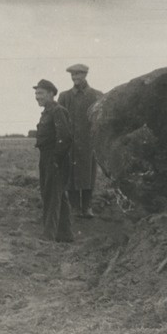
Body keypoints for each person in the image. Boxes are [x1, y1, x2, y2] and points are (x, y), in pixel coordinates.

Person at [58, 64, 103, 218]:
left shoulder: (97, 95)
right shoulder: (64, 97)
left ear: (85, 75)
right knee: (71, 175)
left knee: (88, 174)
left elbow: (99, 121)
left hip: (89, 143)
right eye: (73, 75)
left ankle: (87, 206)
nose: (75, 78)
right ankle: (75, 207)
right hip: (70, 143)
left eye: (78, 75)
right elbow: (60, 120)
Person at [34, 79, 74, 242]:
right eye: (36, 94)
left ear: (51, 94)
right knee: (57, 196)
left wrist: (56, 159)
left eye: (41, 93)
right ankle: (66, 234)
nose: (37, 97)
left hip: (55, 158)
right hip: (47, 157)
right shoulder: (47, 111)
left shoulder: (58, 111)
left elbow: (64, 137)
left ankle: (49, 235)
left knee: (51, 195)